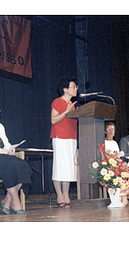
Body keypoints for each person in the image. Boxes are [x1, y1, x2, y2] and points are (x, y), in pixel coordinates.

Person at [50, 76, 78, 208]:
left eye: (76, 87)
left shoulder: (72, 105)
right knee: (59, 166)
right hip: (60, 137)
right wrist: (66, 112)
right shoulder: (58, 101)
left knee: (68, 167)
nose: (75, 89)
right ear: (65, 89)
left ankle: (66, 194)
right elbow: (53, 120)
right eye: (73, 87)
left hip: (71, 138)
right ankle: (59, 195)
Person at [105, 122, 129, 200]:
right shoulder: (104, 142)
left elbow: (119, 155)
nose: (111, 131)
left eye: (113, 129)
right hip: (112, 166)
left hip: (120, 163)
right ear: (105, 132)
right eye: (109, 129)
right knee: (123, 171)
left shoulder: (115, 143)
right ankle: (126, 193)